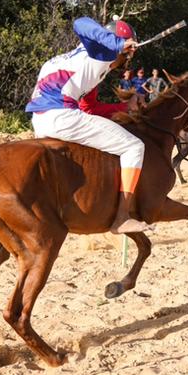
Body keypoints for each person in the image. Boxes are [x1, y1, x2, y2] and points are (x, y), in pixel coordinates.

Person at [26, 16, 150, 234]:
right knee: (134, 147)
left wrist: (123, 108)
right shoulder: (103, 51)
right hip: (61, 116)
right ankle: (122, 217)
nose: (126, 60)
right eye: (127, 55)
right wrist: (118, 44)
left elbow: (89, 108)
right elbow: (80, 22)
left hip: (41, 119)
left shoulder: (82, 61)